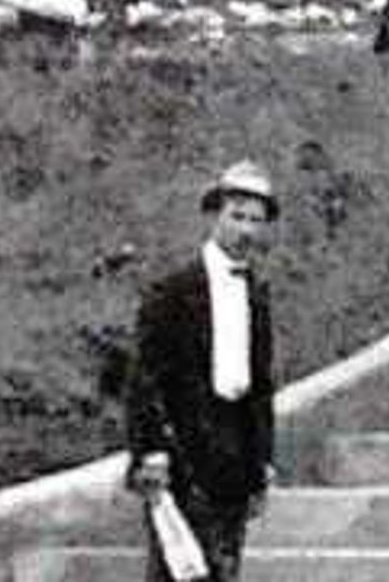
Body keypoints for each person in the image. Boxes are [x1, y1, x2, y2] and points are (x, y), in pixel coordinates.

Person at [123, 159, 282, 580]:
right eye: (237, 217)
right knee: (179, 567)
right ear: (215, 216)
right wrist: (151, 451)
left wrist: (262, 458)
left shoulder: (256, 293)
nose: (246, 230)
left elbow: (261, 382)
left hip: (235, 450)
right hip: (182, 449)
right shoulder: (173, 291)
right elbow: (144, 376)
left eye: (256, 221)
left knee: (224, 567)